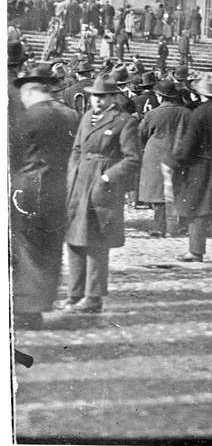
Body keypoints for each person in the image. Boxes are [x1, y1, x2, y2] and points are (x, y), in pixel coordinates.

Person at [64, 73, 140, 313]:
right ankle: (74, 294)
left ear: (114, 97)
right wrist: (72, 173)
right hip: (79, 184)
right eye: (94, 96)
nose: (97, 101)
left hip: (102, 187)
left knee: (96, 241)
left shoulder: (124, 121)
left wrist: (107, 177)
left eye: (102, 97)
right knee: (75, 239)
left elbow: (132, 158)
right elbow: (77, 148)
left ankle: (93, 297)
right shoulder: (86, 117)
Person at [11, 64, 79, 330]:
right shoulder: (71, 115)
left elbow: (14, 156)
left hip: (28, 188)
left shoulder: (26, 119)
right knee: (51, 248)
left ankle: (26, 311)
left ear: (28, 92)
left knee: (26, 249)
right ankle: (40, 304)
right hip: (61, 190)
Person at [172, 73, 212, 262]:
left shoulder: (198, 113)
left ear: (199, 93)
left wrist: (178, 161)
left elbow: (189, 144)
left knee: (197, 207)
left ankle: (195, 250)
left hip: (200, 167)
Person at [137, 77, 190, 238]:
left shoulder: (152, 114)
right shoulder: (187, 113)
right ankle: (183, 225)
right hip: (180, 153)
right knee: (180, 189)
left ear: (159, 96)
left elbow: (141, 134)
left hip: (157, 155)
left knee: (159, 192)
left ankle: (159, 226)